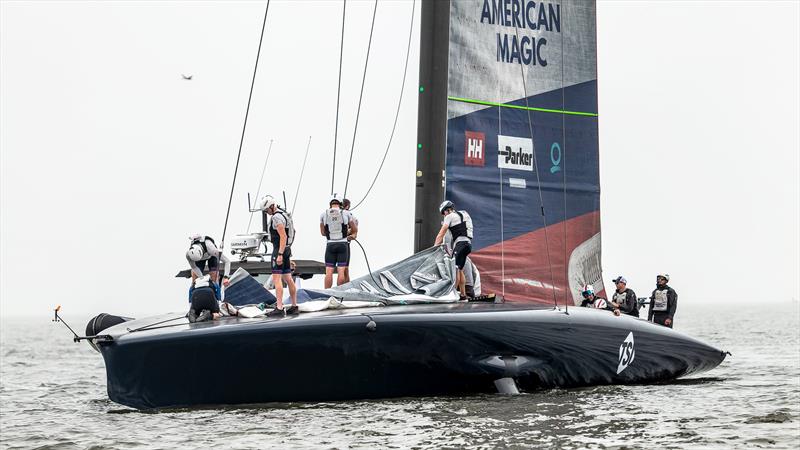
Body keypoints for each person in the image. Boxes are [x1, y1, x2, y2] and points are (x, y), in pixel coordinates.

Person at [259, 195, 298, 317]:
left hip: (279, 250)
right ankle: (294, 306)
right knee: (288, 278)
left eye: (267, 210)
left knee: (277, 279)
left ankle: (279, 308)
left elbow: (283, 236)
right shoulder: (284, 214)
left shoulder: (276, 218)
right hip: (286, 249)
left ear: (271, 206)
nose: (267, 213)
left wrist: (280, 254)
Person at [434, 200, 473, 299]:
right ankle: (463, 294)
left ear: (446, 210)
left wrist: (434, 248)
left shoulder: (449, 216)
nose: (444, 215)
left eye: (444, 213)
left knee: (454, 271)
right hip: (468, 245)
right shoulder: (464, 213)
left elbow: (441, 233)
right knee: (459, 269)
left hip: (460, 245)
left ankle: (453, 294)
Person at [320, 195, 357, 289]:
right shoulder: (346, 213)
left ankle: (327, 293)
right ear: (340, 203)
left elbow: (323, 233)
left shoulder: (323, 214)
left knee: (329, 272)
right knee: (341, 271)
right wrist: (350, 234)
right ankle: (339, 293)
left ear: (330, 203)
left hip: (330, 244)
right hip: (343, 244)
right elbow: (354, 229)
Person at [341, 198, 359, 284]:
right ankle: (341, 290)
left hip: (343, 243)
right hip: (342, 245)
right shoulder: (352, 218)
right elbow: (354, 234)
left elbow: (354, 234)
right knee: (343, 269)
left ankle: (344, 289)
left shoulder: (352, 217)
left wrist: (349, 236)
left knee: (344, 269)